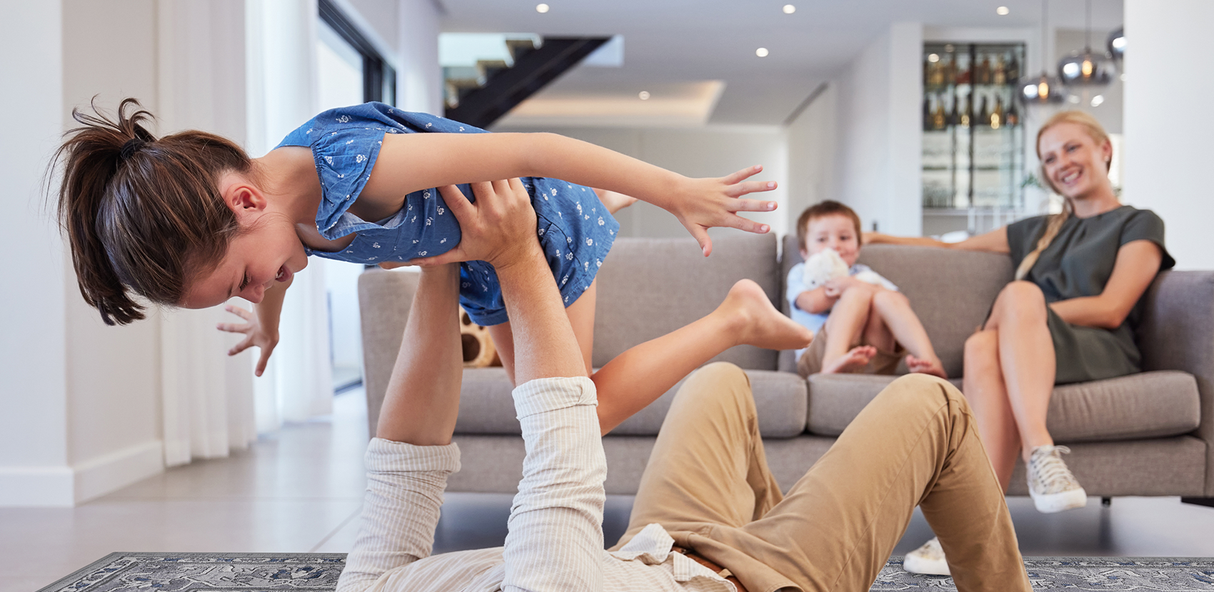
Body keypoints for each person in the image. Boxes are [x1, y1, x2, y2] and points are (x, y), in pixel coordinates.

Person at [150, 178, 1100, 592]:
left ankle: (794, 523)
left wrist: (441, 258)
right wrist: (515, 260)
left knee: (718, 387)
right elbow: (563, 466)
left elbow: (404, 464)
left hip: (664, 554)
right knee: (932, 405)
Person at [53, 98, 776, 389]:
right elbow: (278, 272)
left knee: (573, 411)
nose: (259, 287)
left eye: (244, 280)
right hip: (481, 266)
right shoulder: (275, 215)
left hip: (536, 233)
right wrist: (267, 324)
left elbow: (537, 147)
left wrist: (675, 190)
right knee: (547, 409)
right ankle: (604, 204)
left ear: (244, 202)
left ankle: (733, 317)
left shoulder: (359, 167)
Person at [866, 110, 1173, 577]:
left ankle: (1039, 451)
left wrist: (1023, 314)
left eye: (1071, 148)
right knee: (980, 346)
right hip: (1025, 346)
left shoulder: (1139, 222)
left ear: (1104, 150)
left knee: (1018, 296)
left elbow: (1112, 307)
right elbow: (950, 249)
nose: (1061, 163)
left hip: (1097, 347)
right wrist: (875, 238)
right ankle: (972, 525)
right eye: (1049, 158)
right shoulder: (1038, 229)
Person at [787, 200, 947, 378]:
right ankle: (833, 358)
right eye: (822, 239)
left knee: (883, 297)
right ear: (805, 252)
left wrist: (858, 284)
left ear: (857, 249)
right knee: (857, 293)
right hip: (818, 360)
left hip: (872, 359)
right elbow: (810, 304)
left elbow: (900, 302)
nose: (834, 245)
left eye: (844, 238)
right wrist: (843, 288)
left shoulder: (863, 274)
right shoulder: (800, 273)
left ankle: (929, 359)